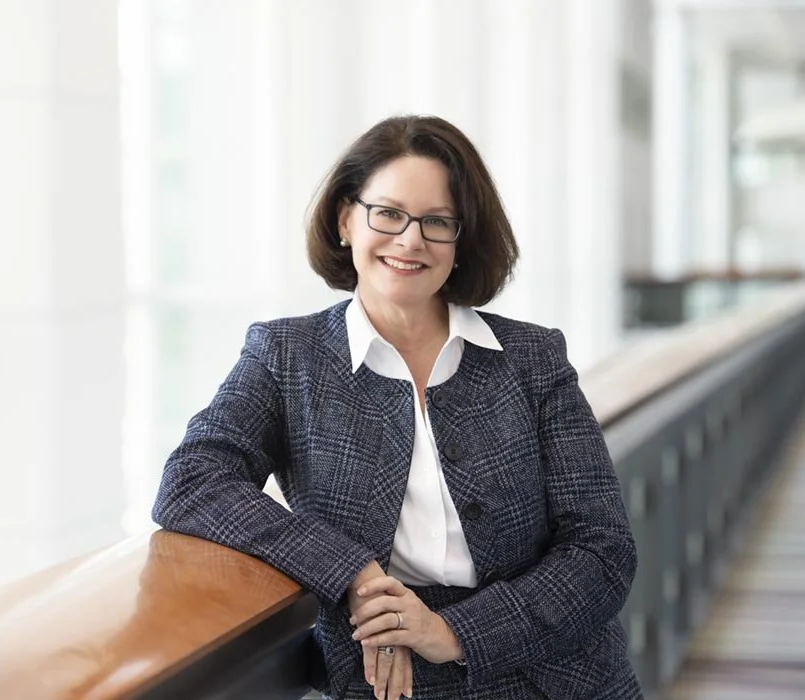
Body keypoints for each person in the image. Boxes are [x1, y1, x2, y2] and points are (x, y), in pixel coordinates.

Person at [153, 115, 641, 699]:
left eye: (437, 222)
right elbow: (191, 481)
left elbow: (603, 549)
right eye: (388, 214)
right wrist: (352, 574)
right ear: (344, 219)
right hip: (387, 679)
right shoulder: (287, 358)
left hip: (556, 674)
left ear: (462, 241)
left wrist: (456, 632)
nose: (411, 241)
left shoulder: (532, 359)